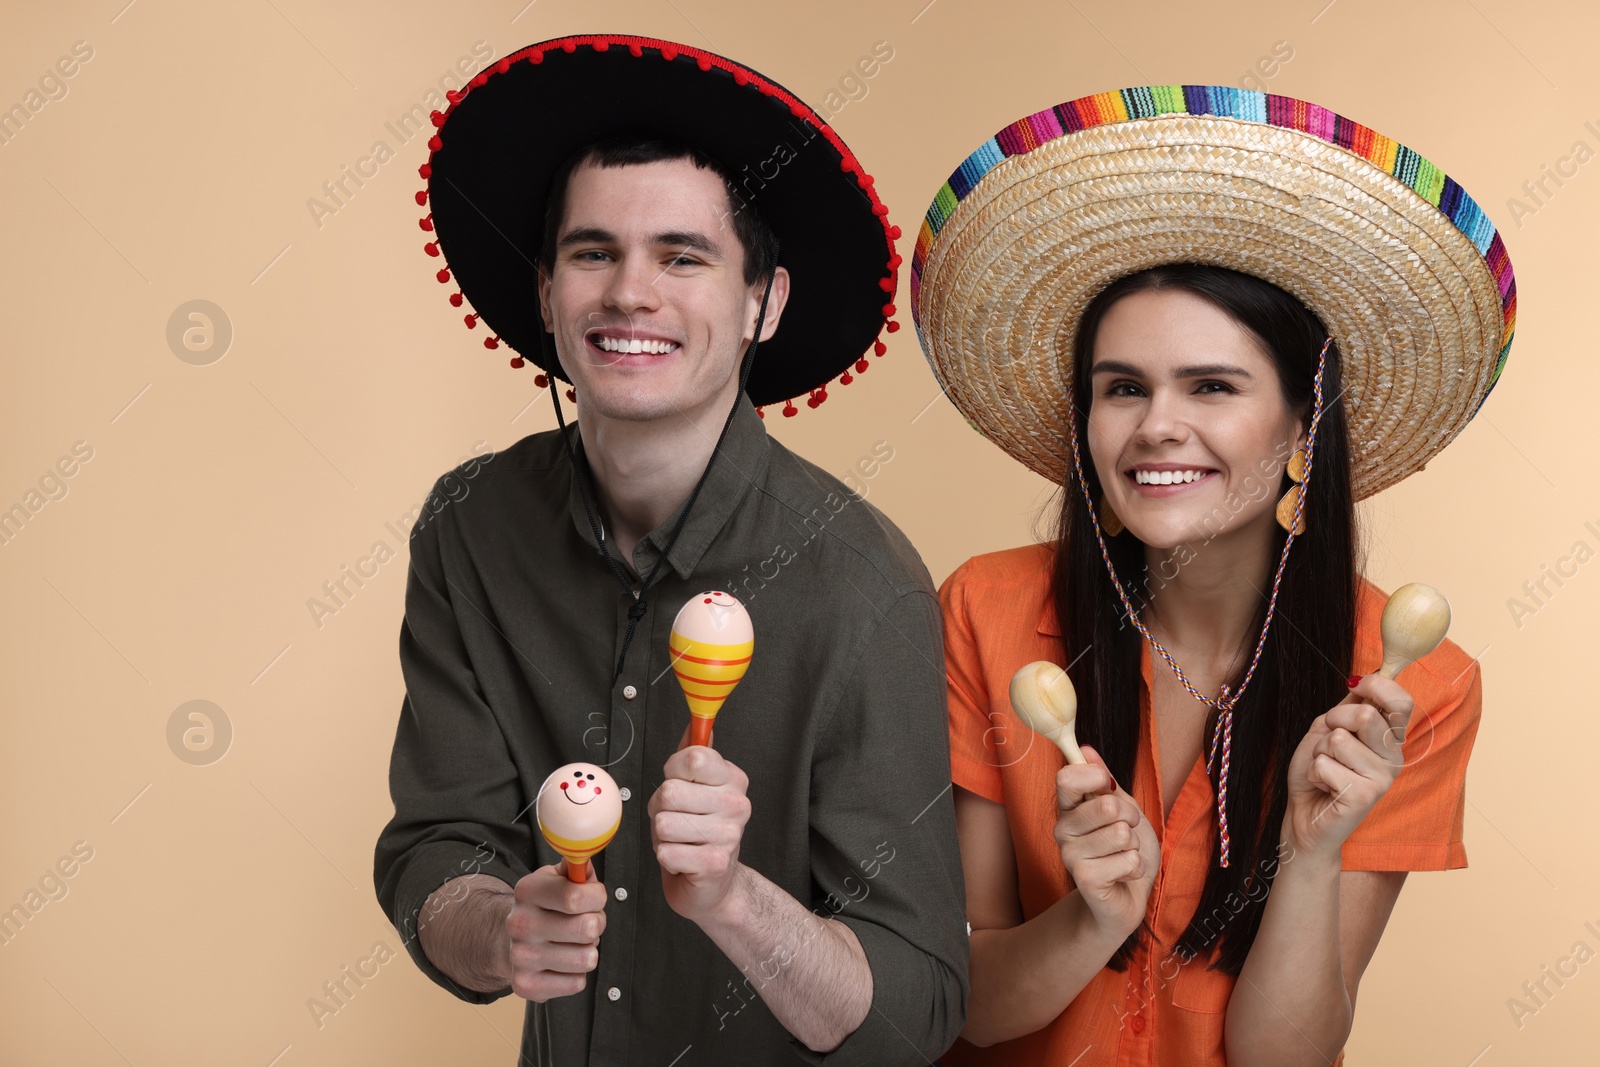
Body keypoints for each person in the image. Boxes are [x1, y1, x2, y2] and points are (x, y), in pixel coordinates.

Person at [373, 35, 967, 1067]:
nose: (630, 294)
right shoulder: (470, 525)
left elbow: (912, 1010)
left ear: (761, 304)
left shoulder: (861, 582)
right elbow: (437, 848)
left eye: (682, 257)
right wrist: (499, 927)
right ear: (548, 292)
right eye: (592, 252)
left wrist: (735, 899)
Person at [910, 85, 1515, 1065]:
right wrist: (1092, 915)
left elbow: (1287, 1053)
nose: (1155, 425)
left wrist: (1314, 854)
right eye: (1121, 389)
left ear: (1298, 431)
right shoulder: (985, 609)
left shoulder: (1416, 690)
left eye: (1211, 386)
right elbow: (965, 1009)